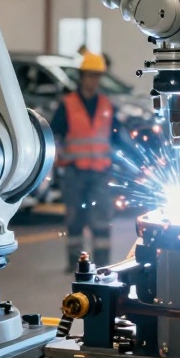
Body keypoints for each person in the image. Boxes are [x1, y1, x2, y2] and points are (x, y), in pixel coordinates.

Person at [50, 51, 121, 271]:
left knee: (101, 220)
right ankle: (75, 263)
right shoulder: (68, 104)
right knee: (74, 220)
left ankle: (102, 263)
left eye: (98, 76)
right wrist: (58, 162)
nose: (94, 81)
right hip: (74, 172)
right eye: (90, 76)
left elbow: (117, 137)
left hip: (100, 172)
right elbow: (54, 135)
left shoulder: (107, 105)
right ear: (82, 77)